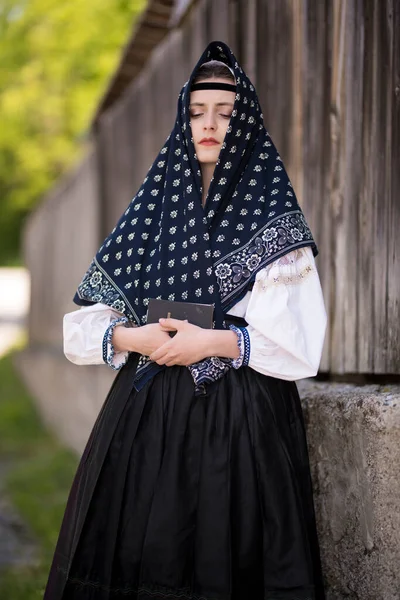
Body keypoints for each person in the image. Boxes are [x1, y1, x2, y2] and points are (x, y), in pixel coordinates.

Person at [44, 41, 327, 600]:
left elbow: (298, 346)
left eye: (225, 113)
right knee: (143, 556)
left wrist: (209, 342)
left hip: (241, 422)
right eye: (197, 112)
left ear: (244, 121)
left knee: (230, 560)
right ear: (182, 117)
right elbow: (81, 329)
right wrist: (134, 335)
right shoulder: (153, 209)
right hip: (146, 418)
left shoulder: (270, 213)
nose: (210, 125)